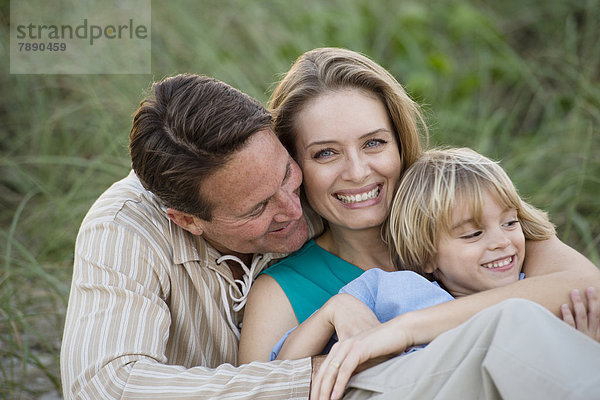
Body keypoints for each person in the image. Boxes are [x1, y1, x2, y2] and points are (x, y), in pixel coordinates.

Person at [237, 48, 600, 399]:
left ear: (399, 143)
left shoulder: (473, 219)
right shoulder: (284, 290)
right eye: (326, 153)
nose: (358, 171)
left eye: (374, 143)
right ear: (294, 167)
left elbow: (587, 287)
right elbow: (261, 391)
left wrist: (403, 330)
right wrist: (335, 312)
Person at [60, 74, 325, 399]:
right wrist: (311, 377)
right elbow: (108, 386)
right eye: (257, 208)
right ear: (187, 220)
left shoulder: (317, 172)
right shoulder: (123, 228)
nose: (294, 209)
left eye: (286, 173)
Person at [264, 147, 600, 362]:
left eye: (511, 222)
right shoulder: (396, 293)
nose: (503, 241)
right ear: (427, 257)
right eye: (473, 234)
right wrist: (330, 312)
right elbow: (280, 369)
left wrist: (582, 350)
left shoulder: (544, 293)